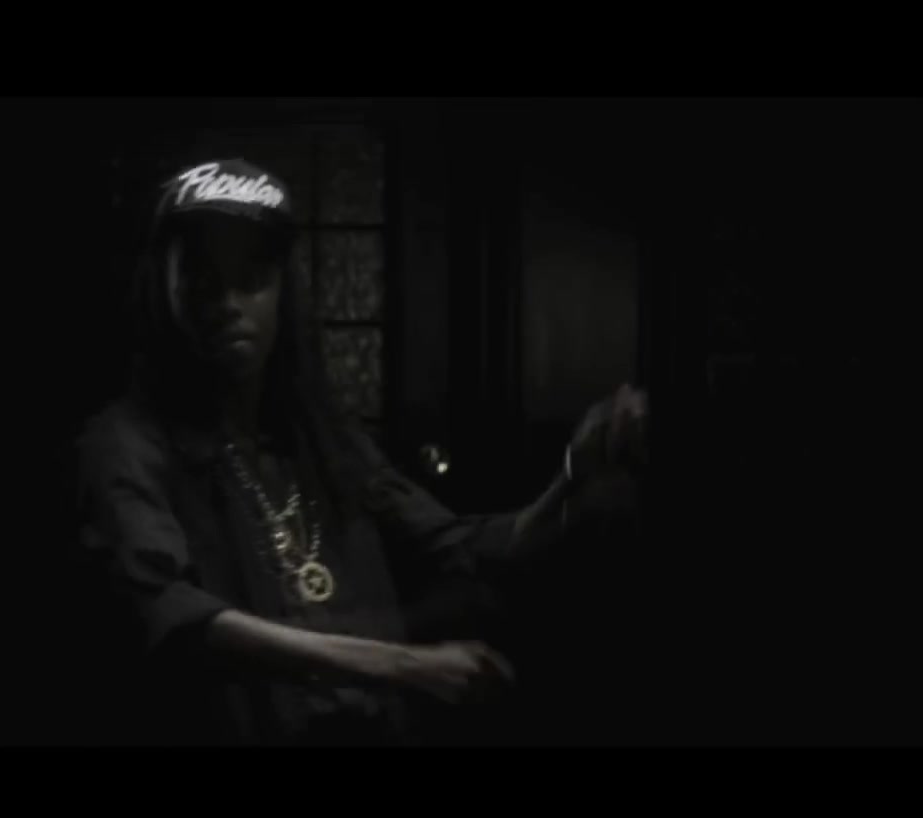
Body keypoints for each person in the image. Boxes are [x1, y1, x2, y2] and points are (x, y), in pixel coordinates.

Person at [74, 157, 648, 745]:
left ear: (283, 292)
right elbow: (167, 616)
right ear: (164, 289)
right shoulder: (124, 443)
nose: (227, 301)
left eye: (252, 276)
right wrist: (403, 665)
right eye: (201, 277)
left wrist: (573, 475)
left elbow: (461, 548)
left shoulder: (323, 440)